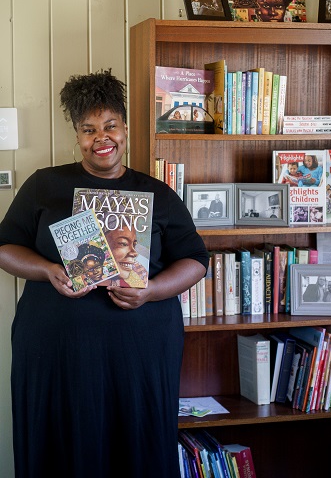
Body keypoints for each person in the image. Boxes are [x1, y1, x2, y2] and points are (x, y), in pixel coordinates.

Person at [0, 69, 208, 478]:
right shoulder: (44, 185)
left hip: (139, 351)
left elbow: (196, 260)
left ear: (125, 129)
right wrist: (48, 270)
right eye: (89, 129)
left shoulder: (157, 193)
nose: (102, 138)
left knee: (135, 444)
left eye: (110, 126)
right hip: (56, 349)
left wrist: (151, 290)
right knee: (57, 443)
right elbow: (4, 248)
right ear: (77, 136)